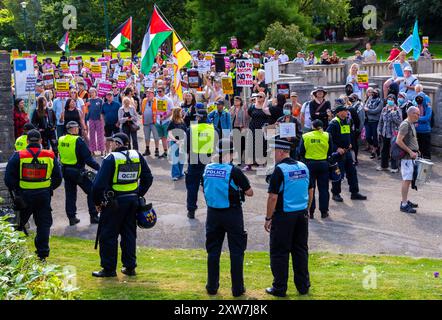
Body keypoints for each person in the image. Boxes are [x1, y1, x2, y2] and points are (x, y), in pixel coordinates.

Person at [92, 133, 153, 277]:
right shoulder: (136, 155)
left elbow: (97, 186)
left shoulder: (111, 158)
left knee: (108, 235)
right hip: (132, 201)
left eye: (112, 142)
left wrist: (97, 202)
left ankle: (109, 269)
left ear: (118, 144)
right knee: (129, 234)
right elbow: (148, 178)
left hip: (114, 203)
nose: (110, 145)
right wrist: (138, 193)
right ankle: (130, 267)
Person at [203, 138, 253, 297]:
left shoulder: (208, 168)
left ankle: (212, 287)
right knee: (236, 252)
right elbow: (249, 192)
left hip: (213, 214)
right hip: (232, 214)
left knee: (213, 252)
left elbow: (204, 187)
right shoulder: (234, 170)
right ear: (231, 154)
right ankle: (237, 289)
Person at [264, 136, 313, 297]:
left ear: (280, 152)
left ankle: (279, 287)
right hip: (301, 215)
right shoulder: (303, 166)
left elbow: (273, 197)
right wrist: (306, 208)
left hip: (284, 216)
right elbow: (311, 190)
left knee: (279, 252)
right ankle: (303, 285)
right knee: (300, 250)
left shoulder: (279, 170)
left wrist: (268, 218)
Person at [4, 130, 62, 261]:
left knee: (18, 224)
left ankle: (14, 252)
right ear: (41, 141)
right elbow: (58, 177)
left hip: (24, 196)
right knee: (43, 225)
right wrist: (48, 188)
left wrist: (17, 191)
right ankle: (42, 254)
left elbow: (8, 179)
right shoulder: (50, 155)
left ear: (27, 141)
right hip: (43, 196)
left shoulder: (18, 155)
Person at [58, 121, 101, 226]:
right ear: (73, 129)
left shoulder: (61, 139)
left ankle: (72, 218)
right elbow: (88, 159)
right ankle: (94, 216)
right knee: (91, 191)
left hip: (66, 171)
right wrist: (100, 168)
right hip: (77, 172)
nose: (78, 129)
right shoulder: (78, 140)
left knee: (70, 195)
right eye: (77, 128)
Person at [327, 102, 367, 202]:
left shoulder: (346, 121)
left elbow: (348, 134)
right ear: (339, 112)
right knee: (338, 174)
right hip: (338, 154)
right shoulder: (334, 123)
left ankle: (354, 192)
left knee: (352, 172)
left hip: (347, 152)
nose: (347, 112)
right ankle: (335, 194)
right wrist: (336, 148)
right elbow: (327, 138)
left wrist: (350, 144)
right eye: (345, 111)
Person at [299, 120, 333, 219]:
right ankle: (324, 212)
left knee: (310, 189)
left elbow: (301, 151)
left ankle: (311, 211)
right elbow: (330, 150)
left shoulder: (306, 136)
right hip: (323, 164)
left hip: (310, 165)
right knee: (324, 189)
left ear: (313, 126)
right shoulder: (327, 135)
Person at [185, 109, 215, 219]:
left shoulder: (191, 129)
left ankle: (191, 210)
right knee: (208, 186)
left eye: (197, 117)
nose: (196, 118)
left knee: (192, 187)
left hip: (194, 160)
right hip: (207, 160)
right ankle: (212, 209)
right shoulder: (213, 129)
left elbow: (186, 146)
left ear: (200, 118)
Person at [395, 107, 420, 214]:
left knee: (409, 180)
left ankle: (405, 201)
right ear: (410, 114)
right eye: (417, 114)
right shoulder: (405, 124)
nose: (418, 116)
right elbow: (398, 141)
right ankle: (404, 204)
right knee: (406, 180)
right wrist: (410, 151)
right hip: (406, 158)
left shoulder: (411, 124)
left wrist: (417, 151)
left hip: (411, 157)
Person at [377, 94, 402, 173]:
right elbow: (381, 121)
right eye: (389, 99)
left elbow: (399, 122)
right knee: (384, 149)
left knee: (394, 150)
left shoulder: (397, 109)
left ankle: (395, 167)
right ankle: (384, 166)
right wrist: (379, 130)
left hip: (394, 133)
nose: (390, 100)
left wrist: (393, 113)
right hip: (385, 133)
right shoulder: (384, 109)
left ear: (394, 100)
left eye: (392, 99)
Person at [154, 86, 174, 158]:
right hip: (158, 121)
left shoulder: (168, 100)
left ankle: (170, 152)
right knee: (162, 138)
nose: (158, 93)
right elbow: (155, 110)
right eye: (157, 91)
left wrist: (165, 116)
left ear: (164, 91)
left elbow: (171, 111)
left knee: (167, 138)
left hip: (166, 121)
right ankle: (165, 152)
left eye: (160, 91)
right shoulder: (155, 99)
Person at [167, 107, 187, 181]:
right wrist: (175, 140)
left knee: (182, 158)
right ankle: (175, 174)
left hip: (182, 142)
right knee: (175, 159)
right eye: (180, 112)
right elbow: (169, 132)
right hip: (174, 142)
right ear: (177, 113)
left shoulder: (182, 121)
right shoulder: (172, 121)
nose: (182, 113)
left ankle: (180, 173)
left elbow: (185, 131)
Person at [364, 88, 384, 159]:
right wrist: (370, 111)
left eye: (375, 93)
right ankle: (376, 148)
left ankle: (375, 151)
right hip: (368, 121)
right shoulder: (369, 99)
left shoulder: (380, 101)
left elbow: (376, 111)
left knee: (375, 138)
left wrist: (368, 110)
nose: (373, 94)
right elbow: (365, 107)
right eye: (373, 92)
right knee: (368, 137)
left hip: (376, 121)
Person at [87, 88, 105, 156]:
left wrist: (101, 116)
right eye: (90, 92)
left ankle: (102, 150)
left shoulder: (100, 100)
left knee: (100, 135)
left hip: (98, 119)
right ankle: (92, 150)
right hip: (91, 119)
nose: (92, 93)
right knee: (91, 135)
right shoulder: (89, 100)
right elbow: (87, 109)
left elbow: (102, 109)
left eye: (93, 92)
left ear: (95, 92)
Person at [414, 93, 432, 159]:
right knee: (418, 149)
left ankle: (426, 164)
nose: (419, 101)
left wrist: (417, 118)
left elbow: (427, 118)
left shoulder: (428, 107)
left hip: (425, 131)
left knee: (426, 150)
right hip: (417, 131)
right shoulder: (416, 106)